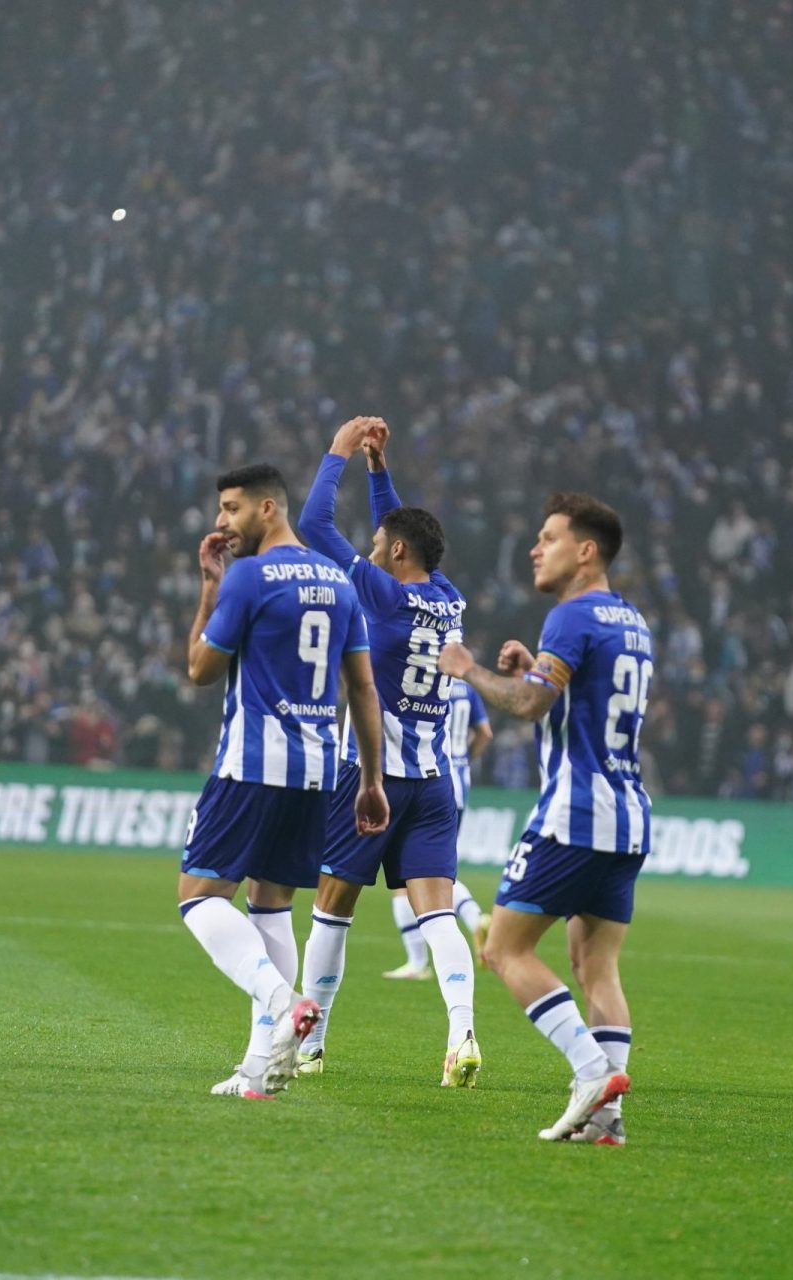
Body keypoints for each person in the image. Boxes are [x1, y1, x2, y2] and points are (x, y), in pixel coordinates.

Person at [438, 493, 650, 1145]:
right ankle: (606, 1121)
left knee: (502, 947)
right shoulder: (631, 620)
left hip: (575, 816)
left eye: (549, 538)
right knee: (596, 967)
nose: (536, 547)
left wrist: (468, 670)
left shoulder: (572, 614)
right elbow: (567, 694)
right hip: (629, 818)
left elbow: (529, 706)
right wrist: (533, 663)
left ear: (585, 552)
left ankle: (589, 1071)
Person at [179, 463, 390, 1100]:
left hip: (252, 764)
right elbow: (362, 686)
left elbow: (200, 670)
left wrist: (210, 589)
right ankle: (259, 1069)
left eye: (232, 508)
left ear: (268, 508)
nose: (222, 521)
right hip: (320, 771)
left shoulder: (248, 576)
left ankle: (281, 999)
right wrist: (370, 779)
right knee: (271, 908)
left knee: (198, 898)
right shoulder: (338, 580)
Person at [294, 417, 481, 1085]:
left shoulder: (383, 592)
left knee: (330, 908)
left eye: (378, 544)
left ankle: (310, 1044)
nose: (370, 551)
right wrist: (380, 472)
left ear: (397, 553)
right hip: (434, 783)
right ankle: (462, 1034)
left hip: (373, 777)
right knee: (436, 912)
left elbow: (315, 526)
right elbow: (398, 531)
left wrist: (340, 453)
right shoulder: (447, 600)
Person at [385, 673, 493, 980]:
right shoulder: (469, 688)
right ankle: (474, 920)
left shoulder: (428, 680)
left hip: (429, 778)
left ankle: (417, 962)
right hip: (458, 783)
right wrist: (464, 760)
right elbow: (484, 732)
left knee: (412, 876)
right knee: (436, 869)